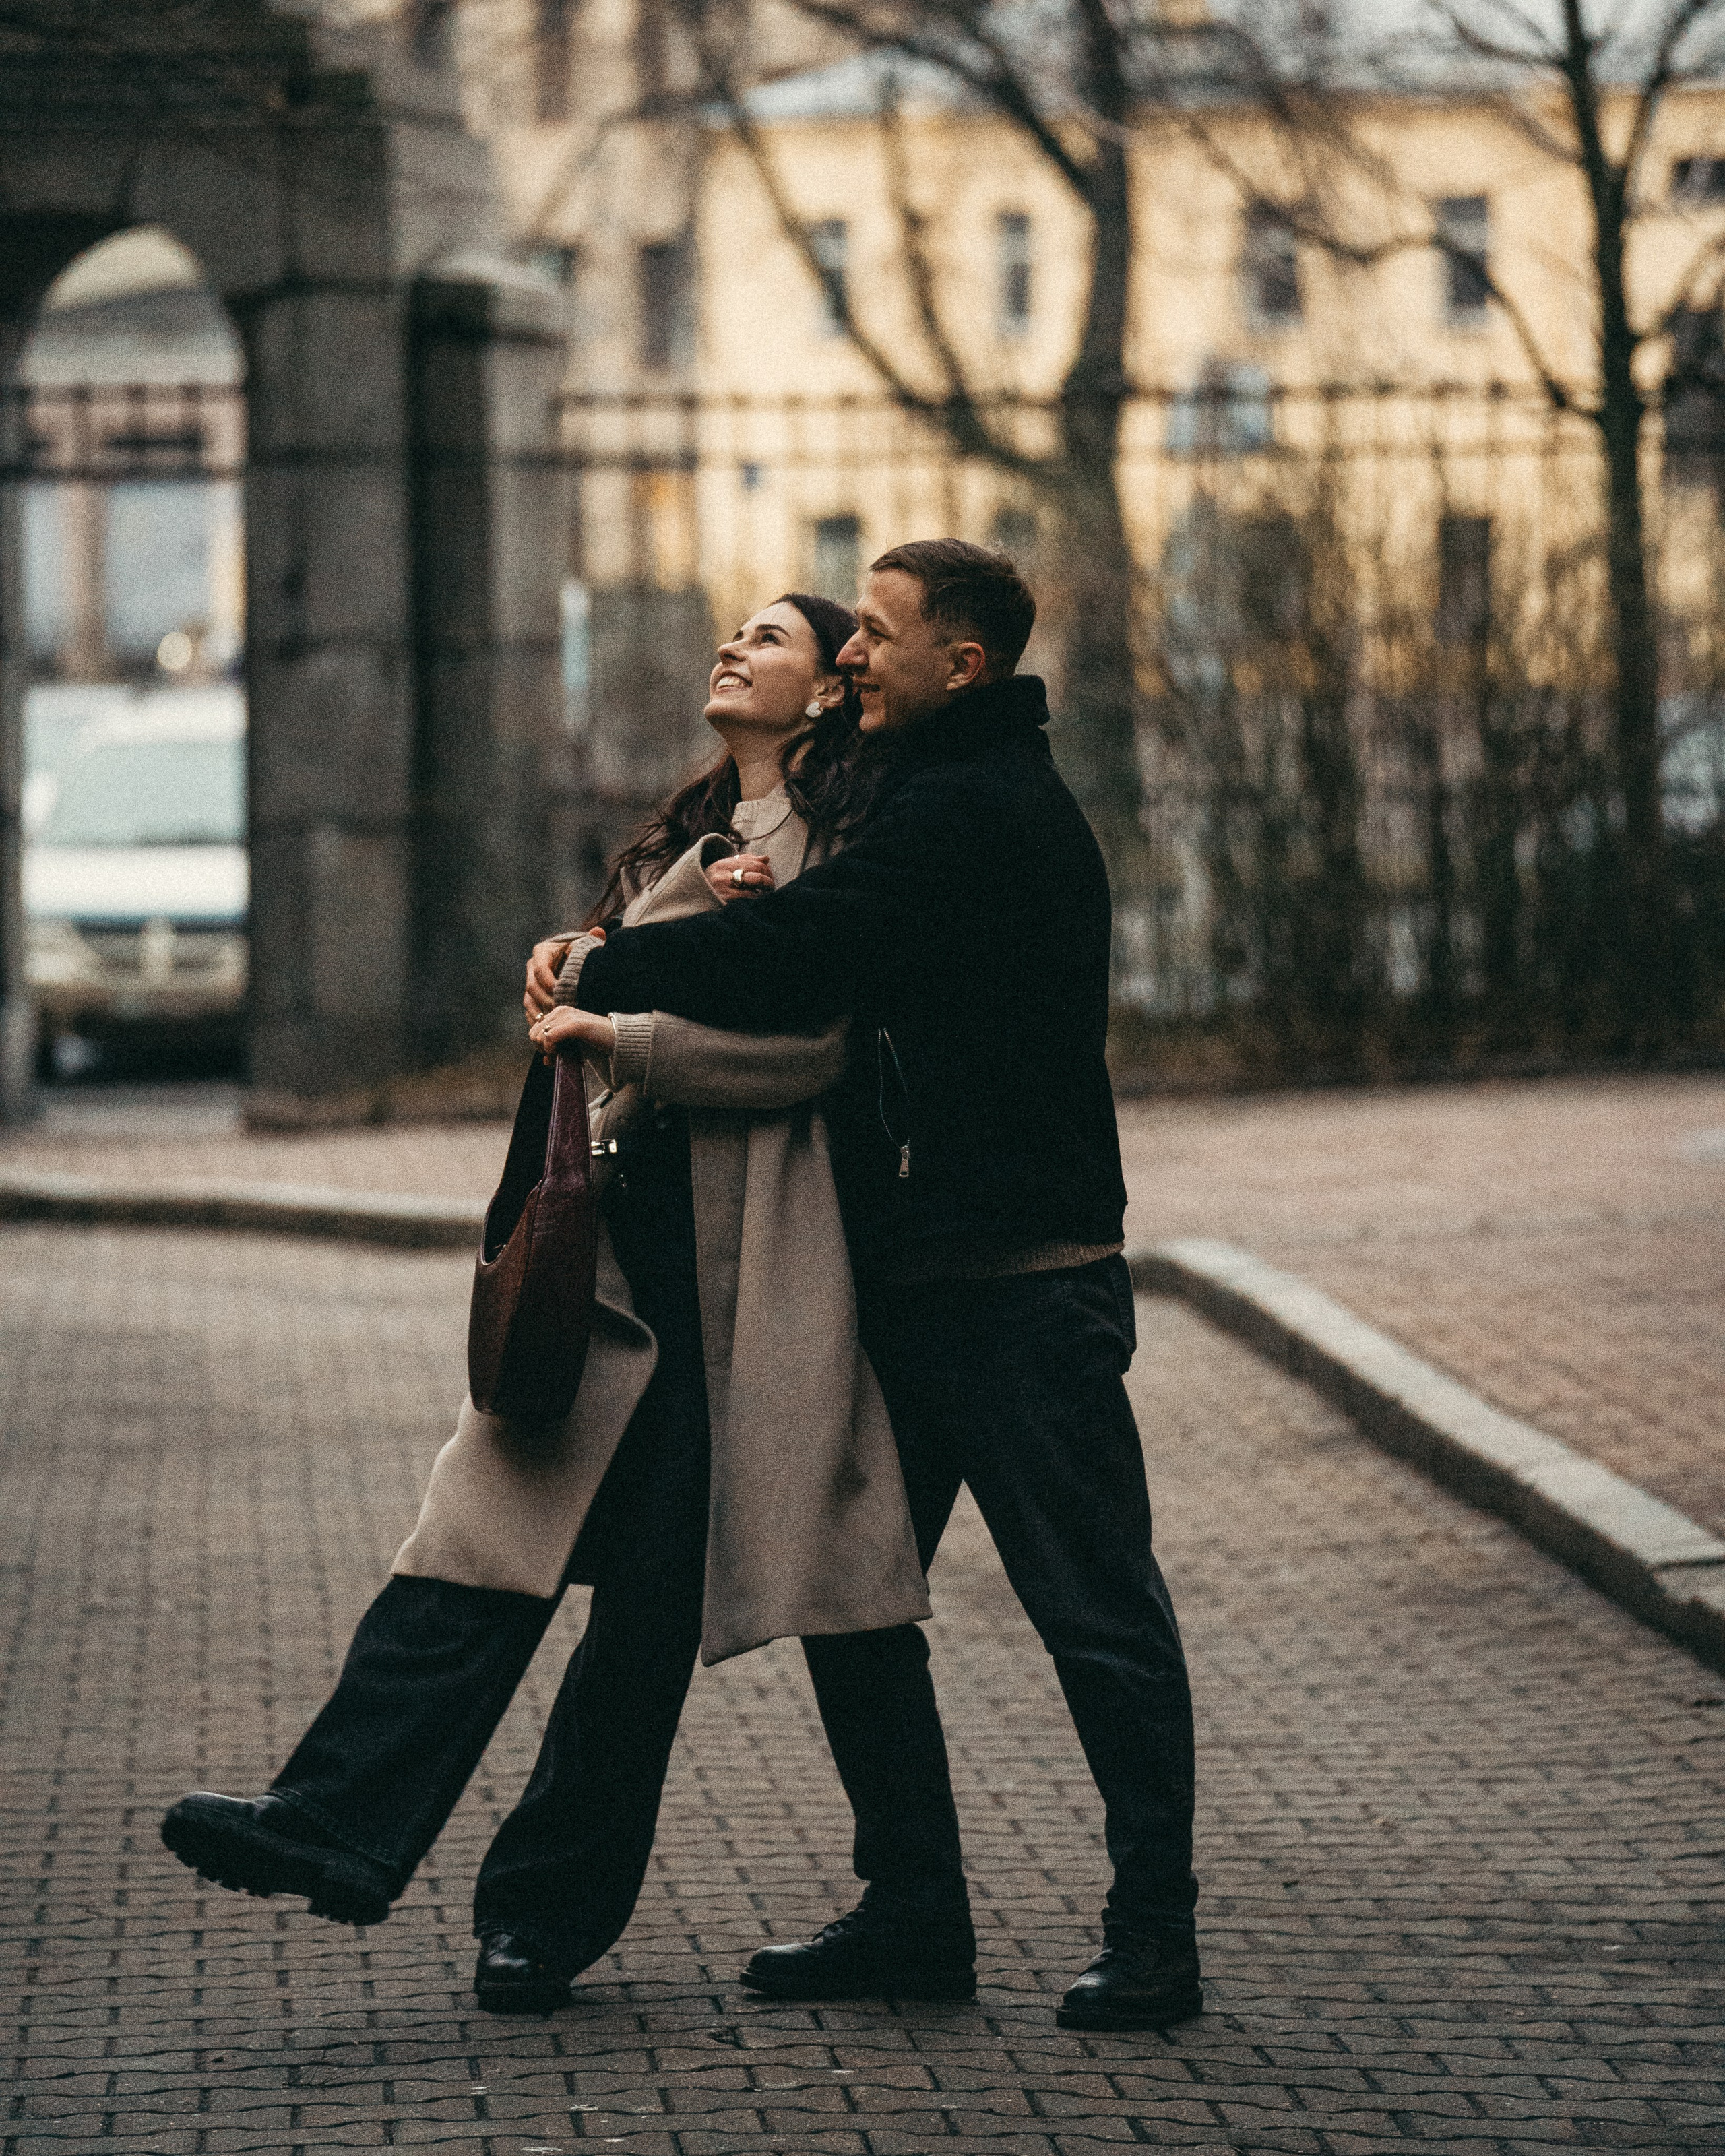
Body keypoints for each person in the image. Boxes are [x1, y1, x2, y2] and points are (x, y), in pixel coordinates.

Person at [160, 592, 935, 2015]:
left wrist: (614, 1026)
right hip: (614, 1268)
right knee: (469, 1540)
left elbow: (808, 1054)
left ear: (826, 691)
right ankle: (331, 1817)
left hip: (728, 1278)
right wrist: (569, 976)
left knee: (636, 1626)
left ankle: (533, 1917)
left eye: (768, 639)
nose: (731, 649)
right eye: (735, 632)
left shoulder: (826, 850)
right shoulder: (697, 839)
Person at [553, 539, 1202, 2033]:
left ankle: (1152, 1930)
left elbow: (805, 952)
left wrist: (606, 965)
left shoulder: (979, 811)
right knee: (854, 1597)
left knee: (1094, 1610)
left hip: (1027, 1288)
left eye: (876, 636)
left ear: (956, 664)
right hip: (912, 1285)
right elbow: (801, 923)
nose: (847, 655)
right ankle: (914, 1909)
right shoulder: (914, 793)